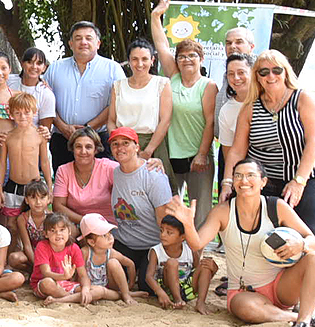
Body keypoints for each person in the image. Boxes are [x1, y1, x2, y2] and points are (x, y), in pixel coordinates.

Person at [178, 159, 315, 327]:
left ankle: (302, 326)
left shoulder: (276, 206)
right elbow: (197, 244)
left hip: (280, 286)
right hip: (243, 291)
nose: (244, 181)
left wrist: (300, 245)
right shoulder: (223, 211)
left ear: (263, 182)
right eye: (238, 176)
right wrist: (188, 224)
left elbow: (313, 240)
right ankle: (300, 318)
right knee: (246, 310)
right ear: (233, 182)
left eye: (250, 175)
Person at [223, 49, 315, 243]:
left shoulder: (302, 99)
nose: (271, 76)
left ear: (286, 72)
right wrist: (227, 183)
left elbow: (314, 141)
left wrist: (298, 182)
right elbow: (237, 150)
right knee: (265, 237)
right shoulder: (250, 107)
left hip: (306, 177)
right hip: (266, 181)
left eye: (276, 70)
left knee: (308, 236)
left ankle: (312, 271)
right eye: (263, 72)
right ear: (257, 77)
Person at [46, 21, 125, 168]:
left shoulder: (112, 69)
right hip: (63, 138)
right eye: (78, 38)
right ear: (70, 43)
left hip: (98, 140)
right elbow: (45, 102)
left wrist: (88, 128)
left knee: (102, 187)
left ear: (98, 43)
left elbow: (117, 104)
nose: (83, 42)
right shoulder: (55, 68)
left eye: (88, 38)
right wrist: (63, 127)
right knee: (64, 187)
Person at [160, 39, 216, 224]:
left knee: (199, 210)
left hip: (198, 157)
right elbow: (161, 45)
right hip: (171, 155)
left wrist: (202, 154)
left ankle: (196, 251)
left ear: (201, 58)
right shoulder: (173, 79)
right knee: (169, 207)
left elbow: (210, 122)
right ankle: (172, 250)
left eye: (192, 55)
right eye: (181, 56)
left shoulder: (207, 85)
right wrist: (156, 15)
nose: (187, 60)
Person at [106, 127, 176, 274]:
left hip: (151, 244)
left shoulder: (153, 175)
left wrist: (166, 251)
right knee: (114, 277)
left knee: (147, 286)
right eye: (115, 144)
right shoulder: (114, 171)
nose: (120, 148)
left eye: (126, 143)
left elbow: (164, 219)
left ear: (137, 147)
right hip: (124, 242)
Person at [109, 39, 172, 159]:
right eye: (135, 59)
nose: (140, 64)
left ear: (152, 60)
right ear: (128, 61)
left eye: (144, 59)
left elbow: (165, 121)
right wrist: (118, 144)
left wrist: (148, 151)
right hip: (122, 145)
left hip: (151, 144)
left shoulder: (162, 83)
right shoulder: (117, 86)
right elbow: (111, 121)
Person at [147, 214, 216, 312]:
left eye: (169, 232)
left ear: (182, 237)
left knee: (205, 264)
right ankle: (177, 299)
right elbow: (149, 276)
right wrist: (160, 292)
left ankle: (200, 302)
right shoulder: (156, 251)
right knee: (172, 262)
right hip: (168, 290)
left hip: (188, 289)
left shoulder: (190, 250)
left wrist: (213, 269)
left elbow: (198, 271)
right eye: (161, 231)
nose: (163, 235)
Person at [77, 212, 133, 304]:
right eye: (104, 235)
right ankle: (121, 294)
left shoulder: (111, 253)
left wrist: (130, 285)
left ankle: (126, 294)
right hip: (90, 288)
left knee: (113, 263)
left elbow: (130, 264)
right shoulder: (85, 252)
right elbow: (79, 275)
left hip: (109, 287)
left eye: (110, 233)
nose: (110, 237)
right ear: (91, 242)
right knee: (85, 291)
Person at [32, 213, 88, 303]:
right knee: (47, 283)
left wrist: (85, 289)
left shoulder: (74, 248)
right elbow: (46, 273)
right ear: (46, 234)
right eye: (53, 230)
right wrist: (64, 276)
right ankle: (69, 298)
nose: (58, 234)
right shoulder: (42, 246)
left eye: (62, 230)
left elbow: (83, 275)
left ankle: (59, 299)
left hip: (66, 284)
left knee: (95, 290)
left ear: (69, 231)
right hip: (47, 283)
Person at [6, 47, 57, 130]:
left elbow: (44, 129)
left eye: (39, 63)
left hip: (31, 140)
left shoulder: (46, 94)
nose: (34, 66)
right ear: (22, 63)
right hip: (6, 139)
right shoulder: (9, 82)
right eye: (29, 62)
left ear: (44, 67)